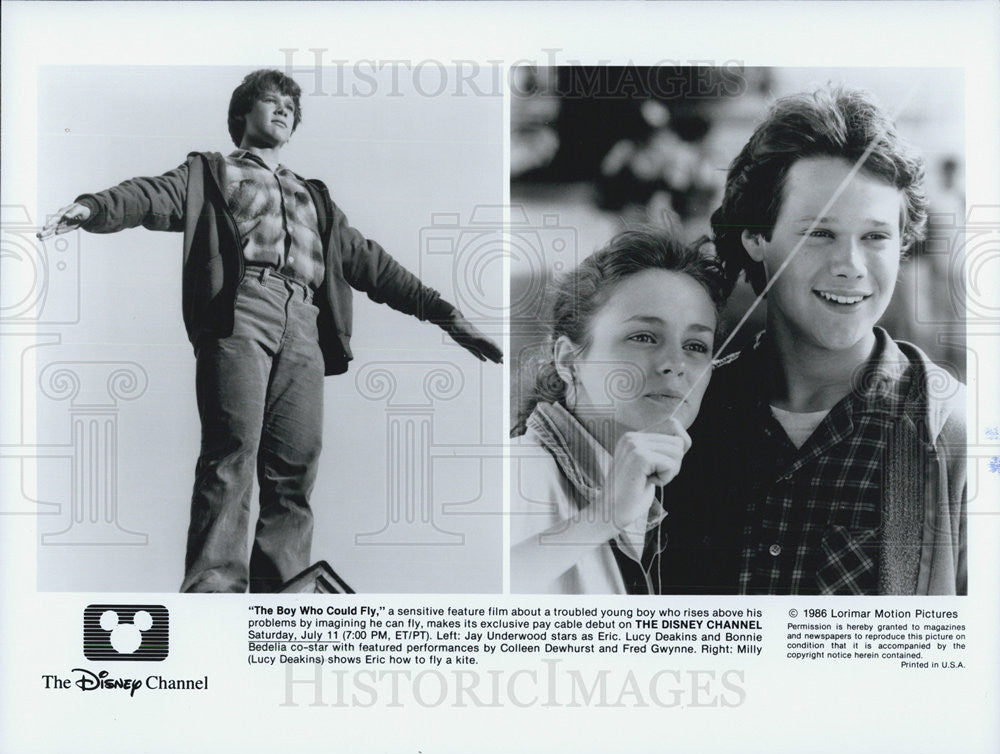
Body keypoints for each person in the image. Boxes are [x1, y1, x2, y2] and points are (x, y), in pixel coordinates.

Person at [36, 69, 502, 593]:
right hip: (242, 308)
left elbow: (373, 263)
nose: (282, 110)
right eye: (269, 101)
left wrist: (444, 314)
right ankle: (215, 589)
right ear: (242, 116)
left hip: (304, 322)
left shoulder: (314, 198)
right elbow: (148, 194)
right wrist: (94, 207)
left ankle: (283, 597)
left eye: (289, 106)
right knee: (232, 448)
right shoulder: (211, 173)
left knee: (296, 467)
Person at [659, 86, 966, 595]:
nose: (850, 265)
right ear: (756, 237)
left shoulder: (954, 435)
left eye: (875, 237)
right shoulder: (689, 412)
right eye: (819, 233)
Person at [510, 229, 732, 594]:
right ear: (568, 359)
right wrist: (603, 517)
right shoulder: (517, 471)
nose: (675, 364)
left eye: (695, 345)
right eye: (643, 337)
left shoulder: (656, 495)